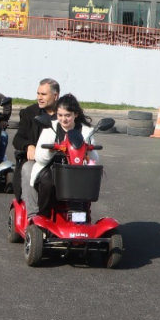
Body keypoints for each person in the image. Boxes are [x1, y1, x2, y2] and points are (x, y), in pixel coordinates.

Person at [26, 94, 98, 225]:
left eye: (67, 115)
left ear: (75, 114)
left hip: (77, 171)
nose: (63, 119)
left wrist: (89, 151)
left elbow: (95, 158)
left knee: (85, 185)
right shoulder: (50, 128)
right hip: (52, 168)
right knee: (48, 183)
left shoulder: (86, 131)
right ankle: (44, 219)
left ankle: (80, 220)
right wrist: (51, 150)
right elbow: (40, 159)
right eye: (60, 115)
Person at [12, 78, 59, 201]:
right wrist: (29, 146)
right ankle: (32, 215)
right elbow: (18, 138)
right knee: (28, 169)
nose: (39, 97)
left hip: (62, 158)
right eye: (38, 93)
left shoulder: (65, 113)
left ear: (55, 96)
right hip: (36, 159)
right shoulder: (29, 113)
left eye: (43, 94)